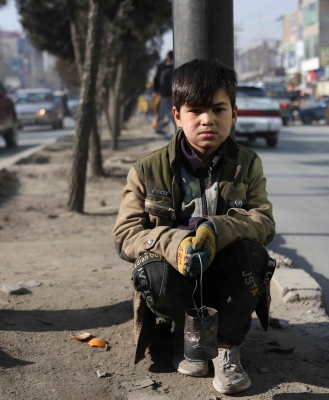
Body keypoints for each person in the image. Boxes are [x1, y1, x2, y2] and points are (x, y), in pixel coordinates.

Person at [113, 59, 276, 395]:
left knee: (252, 253)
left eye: (218, 109)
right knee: (151, 271)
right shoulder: (148, 168)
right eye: (195, 110)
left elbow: (263, 221)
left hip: (227, 278)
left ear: (234, 113)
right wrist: (175, 244)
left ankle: (229, 349)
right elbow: (126, 234)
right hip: (178, 277)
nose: (207, 120)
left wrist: (219, 230)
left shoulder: (248, 164)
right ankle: (180, 335)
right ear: (176, 116)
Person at [152, 51, 176, 137]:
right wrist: (155, 91)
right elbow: (158, 80)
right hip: (164, 95)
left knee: (170, 115)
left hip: (168, 96)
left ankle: (171, 132)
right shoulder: (163, 67)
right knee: (164, 114)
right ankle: (164, 129)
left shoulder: (171, 67)